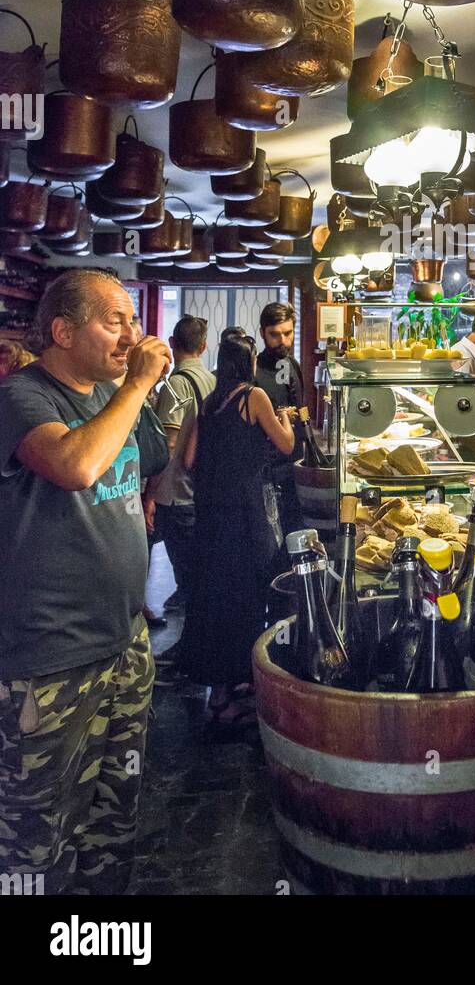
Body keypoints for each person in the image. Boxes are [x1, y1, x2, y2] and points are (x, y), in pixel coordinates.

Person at [0, 268, 171, 895]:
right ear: (63, 330)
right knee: (37, 835)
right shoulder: (23, 397)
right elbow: (76, 465)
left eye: (132, 320)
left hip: (123, 641)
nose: (130, 334)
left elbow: (151, 459)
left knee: (112, 814)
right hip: (52, 655)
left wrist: (138, 394)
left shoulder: (108, 393)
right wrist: (138, 384)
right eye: (114, 320)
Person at [179, 334, 295, 726]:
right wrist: (283, 420)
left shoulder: (209, 402)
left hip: (211, 514)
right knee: (246, 594)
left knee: (216, 596)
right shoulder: (254, 397)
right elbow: (285, 445)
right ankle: (230, 694)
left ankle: (230, 683)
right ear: (249, 364)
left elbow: (190, 457)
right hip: (246, 512)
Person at [144, 315, 216, 616]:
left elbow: (168, 445)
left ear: (172, 344)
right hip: (200, 484)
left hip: (174, 489)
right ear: (203, 345)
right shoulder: (212, 380)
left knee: (182, 562)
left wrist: (149, 495)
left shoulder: (177, 383)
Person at [255, 302, 304, 532]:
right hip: (267, 471)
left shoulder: (293, 364)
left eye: (288, 333)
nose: (283, 341)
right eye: (275, 335)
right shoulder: (253, 370)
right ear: (263, 332)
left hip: (296, 467)